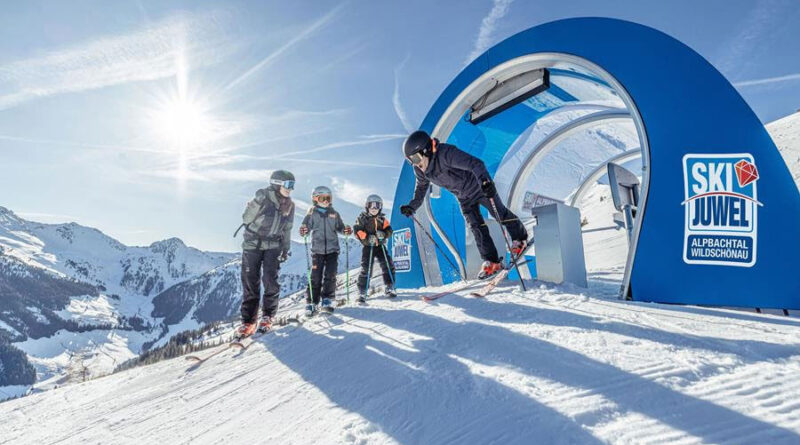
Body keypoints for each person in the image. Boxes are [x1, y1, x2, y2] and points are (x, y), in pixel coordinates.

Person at [399, 130, 528, 279]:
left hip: (479, 188)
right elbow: (421, 188)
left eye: (415, 158)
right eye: (411, 161)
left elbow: (475, 164)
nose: (415, 164)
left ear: (426, 149)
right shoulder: (420, 170)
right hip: (463, 198)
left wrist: (485, 182)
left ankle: (520, 238)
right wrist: (412, 206)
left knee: (498, 213)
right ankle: (492, 261)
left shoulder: (446, 154)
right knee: (476, 227)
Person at [237, 170, 295, 338]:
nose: (291, 189)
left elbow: (288, 229)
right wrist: (256, 202)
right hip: (252, 245)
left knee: (270, 280)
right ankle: (248, 322)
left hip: (273, 245)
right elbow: (246, 219)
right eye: (288, 185)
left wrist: (285, 248)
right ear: (277, 183)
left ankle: (268, 316)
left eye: (293, 185)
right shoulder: (262, 197)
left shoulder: (289, 205)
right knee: (250, 282)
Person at [299, 186, 352, 315]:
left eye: (328, 198)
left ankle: (327, 299)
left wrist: (345, 230)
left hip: (332, 250)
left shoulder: (334, 213)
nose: (326, 201)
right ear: (315, 199)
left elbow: (340, 227)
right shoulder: (311, 213)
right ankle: (312, 302)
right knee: (315, 277)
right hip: (317, 251)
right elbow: (305, 226)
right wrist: (304, 230)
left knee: (330, 275)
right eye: (323, 198)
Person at [353, 194, 396, 303]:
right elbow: (357, 232)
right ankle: (362, 291)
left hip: (380, 246)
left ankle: (389, 286)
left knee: (387, 264)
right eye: (371, 205)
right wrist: (367, 237)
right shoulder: (362, 219)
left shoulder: (382, 219)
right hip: (368, 247)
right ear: (367, 206)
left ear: (380, 207)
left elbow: (389, 231)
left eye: (377, 206)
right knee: (366, 268)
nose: (374, 208)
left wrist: (383, 234)